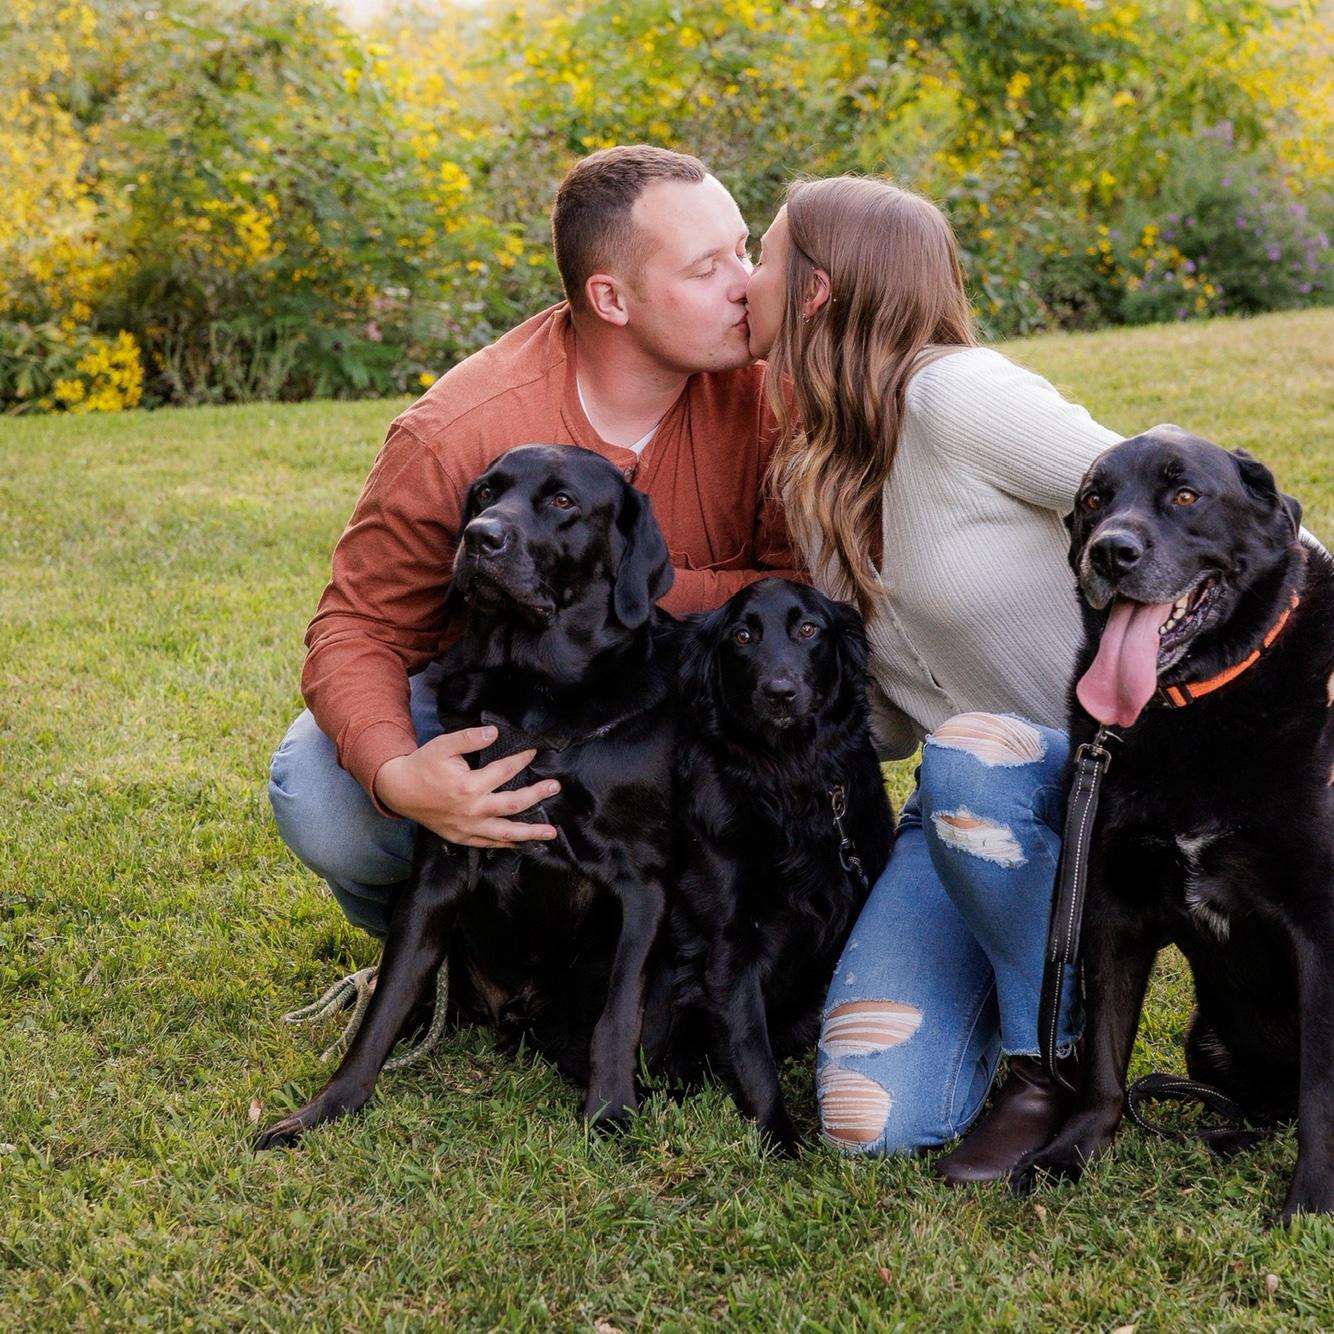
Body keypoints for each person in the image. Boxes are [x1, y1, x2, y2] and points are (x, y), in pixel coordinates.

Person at [269, 145, 797, 940]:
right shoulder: (457, 431)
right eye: (705, 268)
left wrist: (629, 587)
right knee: (321, 796)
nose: (745, 284)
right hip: (512, 697)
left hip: (689, 707)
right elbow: (359, 627)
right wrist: (400, 774)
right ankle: (456, 948)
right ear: (611, 298)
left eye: (744, 251)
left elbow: (805, 595)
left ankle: (697, 942)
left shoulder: (773, 400)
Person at [743, 174, 1123, 1182]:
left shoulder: (958, 397)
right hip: (968, 820)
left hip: (1123, 784)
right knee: (866, 1118)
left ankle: (1048, 1066)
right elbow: (885, 727)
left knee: (972, 750)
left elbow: (1198, 499)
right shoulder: (816, 476)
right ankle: (1036, 960)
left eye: (760, 256)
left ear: (814, 290)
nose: (742, 279)